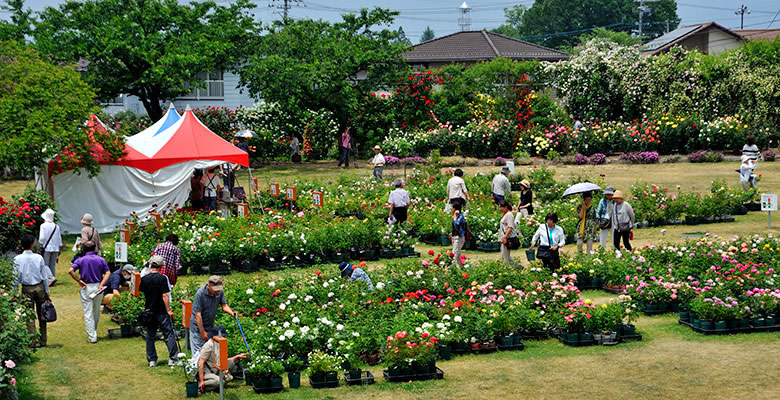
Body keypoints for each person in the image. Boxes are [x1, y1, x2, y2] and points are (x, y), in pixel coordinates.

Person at [140, 255, 182, 367]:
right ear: (161, 266)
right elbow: (165, 295)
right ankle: (173, 358)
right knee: (168, 334)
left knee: (150, 335)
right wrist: (168, 310)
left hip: (149, 310)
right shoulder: (162, 278)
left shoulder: (144, 279)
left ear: (151, 265)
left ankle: (152, 360)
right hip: (161, 310)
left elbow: (142, 294)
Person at [68, 240, 110, 343]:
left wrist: (78, 280)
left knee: (88, 313)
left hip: (86, 287)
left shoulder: (80, 260)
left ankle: (92, 336)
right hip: (97, 286)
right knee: (96, 311)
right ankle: (93, 332)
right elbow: (108, 272)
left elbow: (70, 270)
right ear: (94, 248)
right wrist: (101, 284)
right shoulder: (101, 259)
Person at [13, 235, 50, 347]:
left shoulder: (17, 259)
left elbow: (15, 278)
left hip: (26, 287)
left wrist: (14, 293)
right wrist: (47, 290)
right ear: (32, 245)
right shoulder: (39, 258)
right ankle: (43, 340)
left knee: (29, 315)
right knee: (42, 313)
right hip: (39, 287)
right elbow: (44, 276)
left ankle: (32, 341)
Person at [189, 276, 236, 358]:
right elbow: (198, 315)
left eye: (219, 289)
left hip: (209, 326)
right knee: (198, 355)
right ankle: (195, 370)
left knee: (208, 353)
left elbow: (224, 306)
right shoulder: (200, 294)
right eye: (215, 290)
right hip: (197, 328)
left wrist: (232, 313)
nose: (217, 292)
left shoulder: (219, 292)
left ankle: (206, 370)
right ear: (208, 286)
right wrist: (202, 332)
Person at [197, 326, 248, 393]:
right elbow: (200, 362)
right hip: (206, 372)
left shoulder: (219, 344)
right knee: (219, 381)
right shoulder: (208, 345)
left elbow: (222, 360)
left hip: (215, 369)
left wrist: (237, 356)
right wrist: (201, 380)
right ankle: (200, 386)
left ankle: (216, 383)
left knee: (230, 372)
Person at [38, 208, 63, 286]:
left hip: (47, 247)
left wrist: (41, 244)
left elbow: (42, 238)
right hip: (55, 247)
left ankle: (50, 278)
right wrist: (59, 248)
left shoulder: (43, 226)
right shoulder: (56, 226)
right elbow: (59, 238)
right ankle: (52, 278)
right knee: (52, 264)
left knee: (45, 264)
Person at [497, 201, 517, 265]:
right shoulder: (506, 214)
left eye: (501, 207)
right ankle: (517, 266)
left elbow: (510, 227)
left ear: (506, 207)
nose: (500, 209)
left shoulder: (509, 215)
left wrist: (505, 237)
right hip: (505, 236)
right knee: (504, 254)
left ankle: (508, 268)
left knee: (505, 256)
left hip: (507, 237)